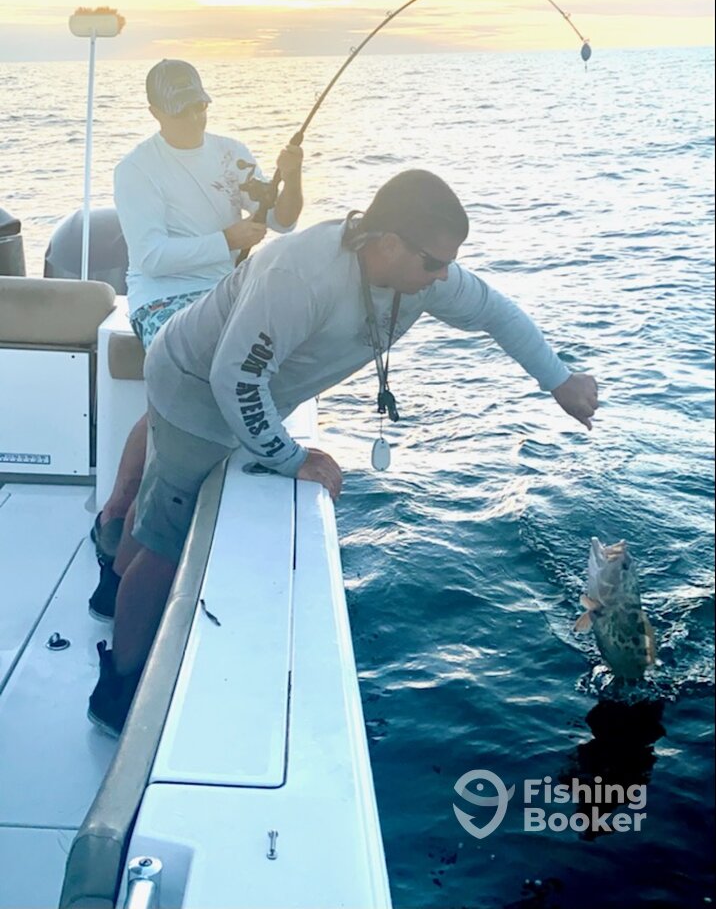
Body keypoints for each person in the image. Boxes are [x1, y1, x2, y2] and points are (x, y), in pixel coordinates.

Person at [88, 169, 599, 735]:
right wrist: (292, 459)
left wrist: (559, 380)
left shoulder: (424, 277)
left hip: (226, 387)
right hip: (194, 391)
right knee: (165, 543)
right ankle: (116, 689)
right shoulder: (300, 275)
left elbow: (497, 313)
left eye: (448, 263)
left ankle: (109, 589)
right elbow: (234, 379)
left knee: (160, 500)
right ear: (388, 244)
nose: (443, 275)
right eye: (433, 262)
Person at [89, 59, 303, 619]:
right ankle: (123, 512)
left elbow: (281, 220)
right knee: (190, 381)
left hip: (228, 289)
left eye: (201, 103)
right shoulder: (137, 169)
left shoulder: (231, 154)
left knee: (254, 366)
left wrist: (291, 173)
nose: (195, 115)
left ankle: (142, 517)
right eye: (182, 108)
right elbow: (152, 255)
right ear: (156, 111)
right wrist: (225, 237)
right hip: (161, 295)